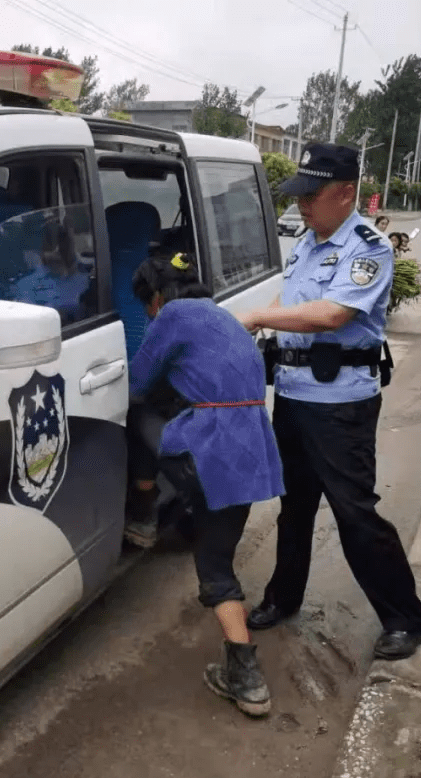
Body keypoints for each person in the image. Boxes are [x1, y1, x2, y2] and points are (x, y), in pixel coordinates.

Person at [238, 142, 421, 662]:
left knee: (354, 513)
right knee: (293, 507)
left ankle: (404, 618)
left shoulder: (367, 247)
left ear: (346, 194)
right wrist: (257, 326)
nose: (302, 204)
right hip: (295, 397)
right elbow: (291, 302)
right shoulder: (307, 243)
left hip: (341, 404)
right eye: (299, 195)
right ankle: (284, 597)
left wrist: (256, 318)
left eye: (312, 195)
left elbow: (331, 314)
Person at [124, 252, 285, 716]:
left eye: (146, 306)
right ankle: (247, 680)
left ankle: (144, 514)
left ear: (155, 297)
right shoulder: (225, 318)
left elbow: (138, 382)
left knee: (137, 416)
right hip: (250, 458)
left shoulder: (172, 315)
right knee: (216, 564)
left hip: (208, 455)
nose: (150, 314)